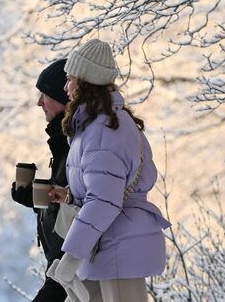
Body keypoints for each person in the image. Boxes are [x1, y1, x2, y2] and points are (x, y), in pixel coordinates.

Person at [46, 39, 171, 302]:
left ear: (85, 82)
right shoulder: (95, 126)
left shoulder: (104, 130)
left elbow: (104, 200)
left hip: (117, 249)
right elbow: (104, 189)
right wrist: (69, 195)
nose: (66, 87)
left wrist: (71, 255)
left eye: (70, 79)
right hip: (105, 246)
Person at [11, 59, 71, 302]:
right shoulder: (64, 141)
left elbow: (88, 199)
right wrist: (36, 197)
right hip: (61, 268)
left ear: (64, 96)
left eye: (45, 95)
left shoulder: (77, 142)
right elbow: (68, 191)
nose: (39, 102)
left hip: (69, 268)